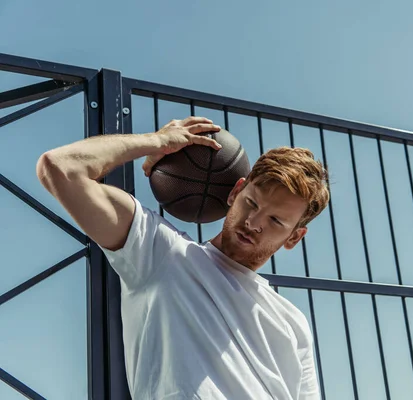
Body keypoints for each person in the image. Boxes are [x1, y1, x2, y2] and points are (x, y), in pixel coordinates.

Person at [35, 116, 329, 400]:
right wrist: (155, 142)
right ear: (235, 192)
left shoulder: (292, 322)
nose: (253, 222)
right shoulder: (163, 253)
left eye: (276, 221)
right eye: (251, 203)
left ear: (294, 237)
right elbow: (60, 167)